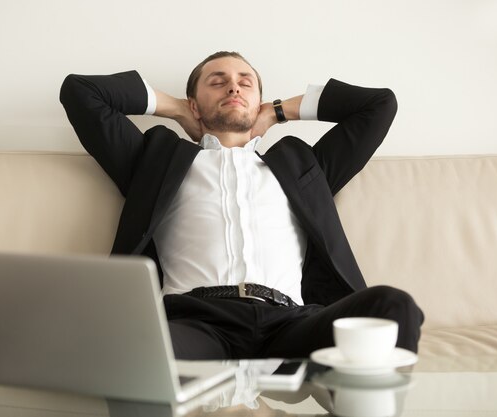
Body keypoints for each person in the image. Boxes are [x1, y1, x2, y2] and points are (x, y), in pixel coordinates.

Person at [60, 51, 424, 360]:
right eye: (217, 82)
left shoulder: (304, 167)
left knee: (394, 306)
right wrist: (176, 110)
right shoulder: (155, 159)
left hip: (291, 323)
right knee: (129, 349)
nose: (234, 86)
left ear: (259, 100)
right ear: (194, 102)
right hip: (194, 321)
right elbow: (81, 91)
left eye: (245, 82)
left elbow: (379, 105)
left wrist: (279, 112)